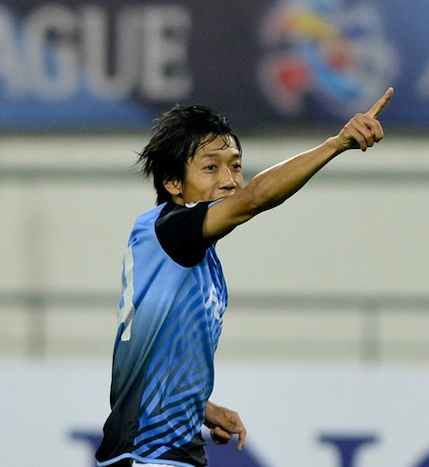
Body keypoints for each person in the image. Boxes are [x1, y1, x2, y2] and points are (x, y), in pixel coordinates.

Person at [95, 87, 394, 467]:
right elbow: (254, 198)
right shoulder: (170, 231)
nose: (229, 180)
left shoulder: (187, 253)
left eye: (235, 166)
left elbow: (152, 355)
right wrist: (336, 144)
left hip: (165, 452)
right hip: (148, 454)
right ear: (172, 182)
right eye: (211, 167)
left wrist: (203, 408)